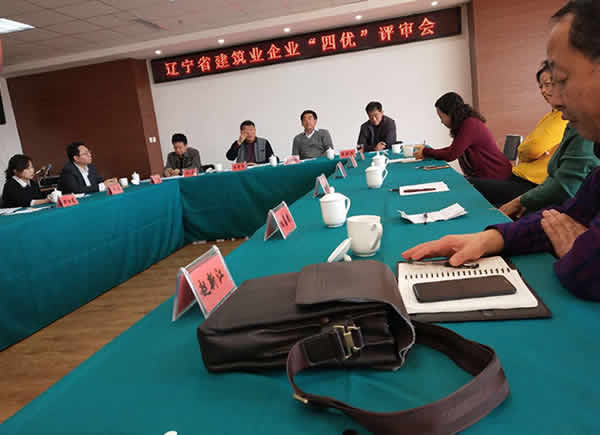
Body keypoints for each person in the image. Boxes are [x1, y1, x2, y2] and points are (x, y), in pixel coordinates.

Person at [403, 0, 600, 300]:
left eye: (562, 80)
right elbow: (561, 219)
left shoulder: (469, 124)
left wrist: (579, 254)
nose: (556, 99)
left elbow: (586, 268)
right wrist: (489, 239)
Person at [469, 61, 569, 206]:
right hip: (518, 177)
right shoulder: (550, 116)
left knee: (469, 186)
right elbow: (526, 148)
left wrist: (524, 151)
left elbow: (532, 148)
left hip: (531, 185)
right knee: (470, 187)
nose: (543, 91)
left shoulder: (563, 117)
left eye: (547, 84)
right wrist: (525, 150)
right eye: (540, 86)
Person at [499, 124, 598, 218]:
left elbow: (532, 149)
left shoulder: (582, 131)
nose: (563, 117)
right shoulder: (571, 124)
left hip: (532, 186)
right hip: (538, 189)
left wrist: (521, 201)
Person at [413, 92, 513, 180]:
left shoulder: (470, 124)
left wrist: (426, 151)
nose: (441, 122)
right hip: (489, 175)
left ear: (451, 113)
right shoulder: (467, 123)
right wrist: (428, 151)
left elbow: (451, 154)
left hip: (496, 176)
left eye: (441, 117)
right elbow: (454, 149)